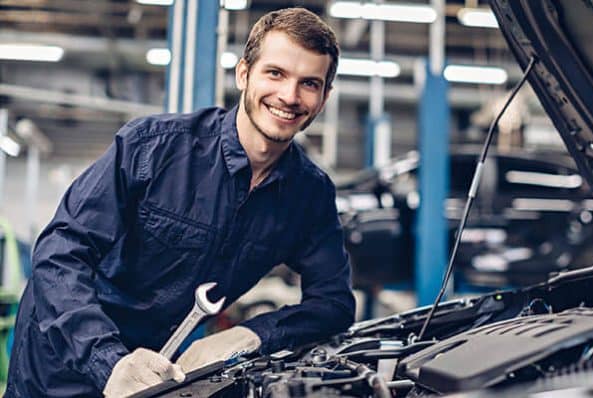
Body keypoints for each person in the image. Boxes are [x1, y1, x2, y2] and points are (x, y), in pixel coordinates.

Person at [5, 7, 355, 397]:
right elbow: (59, 253)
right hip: (60, 362)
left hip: (158, 368)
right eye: (275, 73)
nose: (289, 96)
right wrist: (108, 361)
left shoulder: (309, 194)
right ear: (244, 74)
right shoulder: (152, 147)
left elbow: (334, 302)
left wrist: (250, 334)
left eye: (309, 83)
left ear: (324, 97)